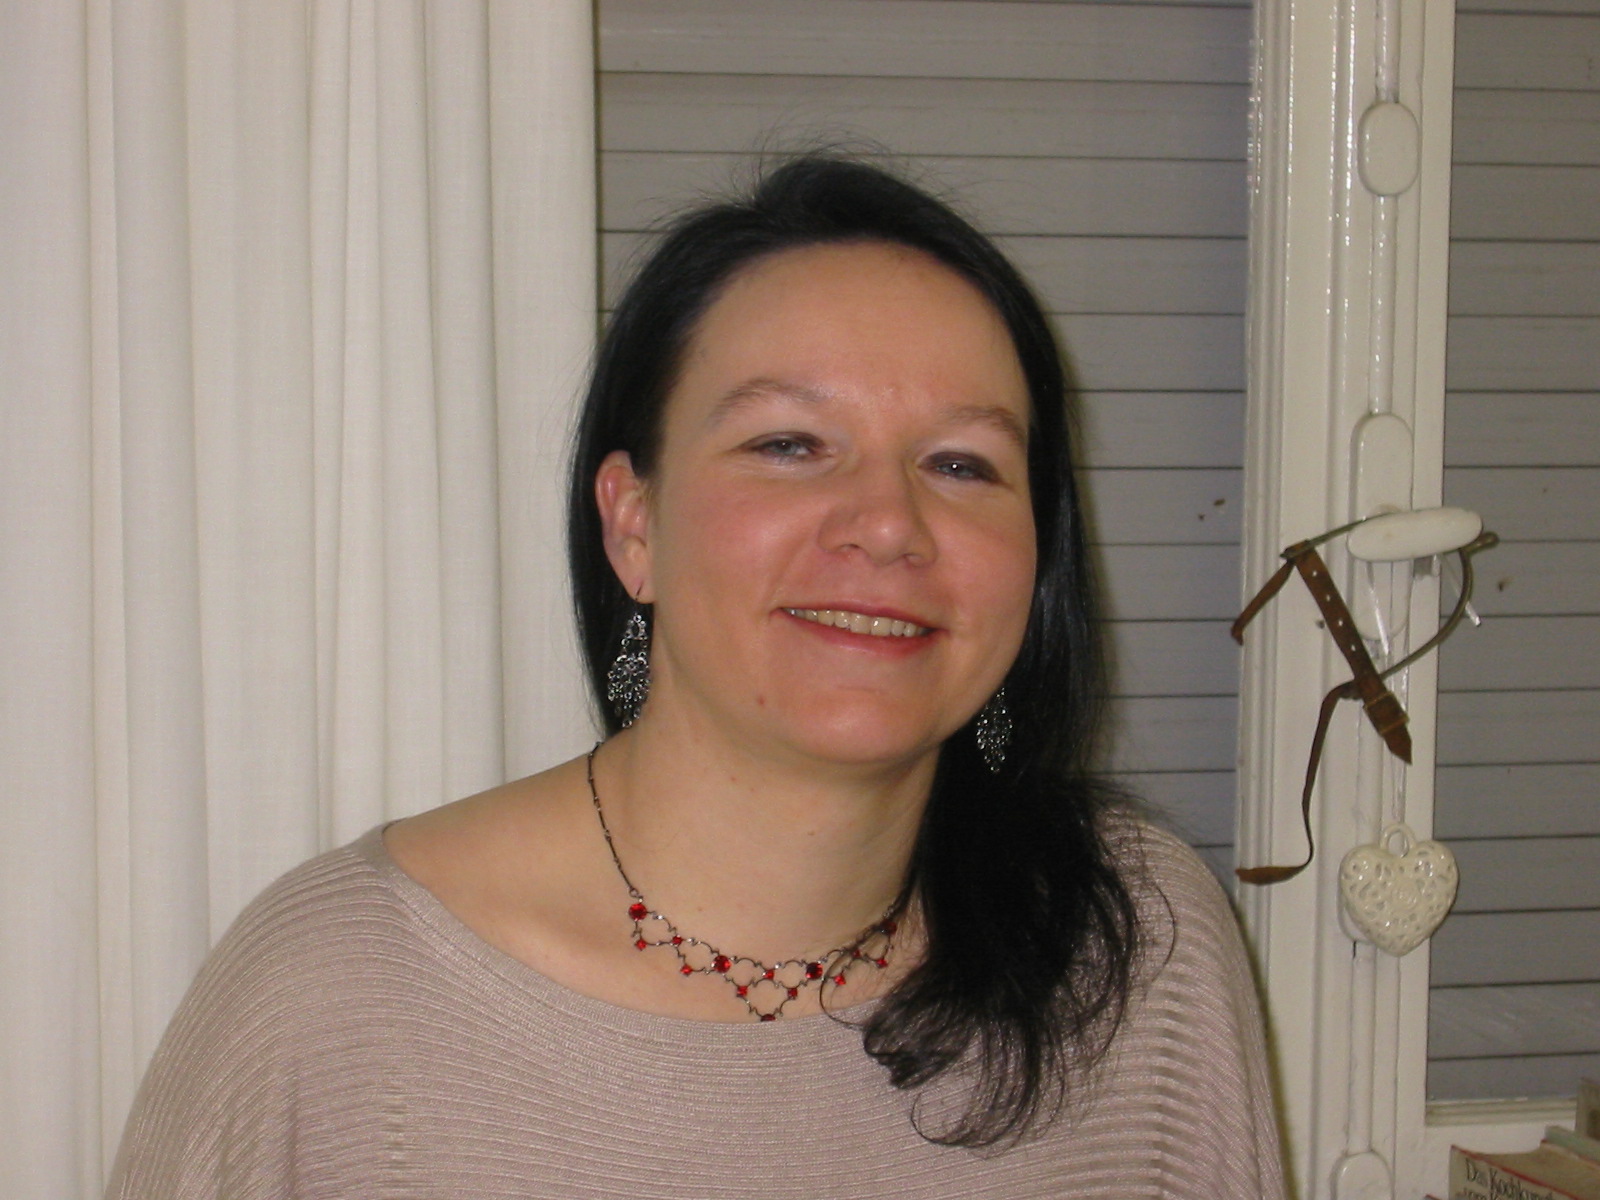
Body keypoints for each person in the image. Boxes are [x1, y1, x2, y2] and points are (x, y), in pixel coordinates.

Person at [106, 156, 1286, 1198]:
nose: (888, 523)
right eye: (789, 444)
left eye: (961, 463)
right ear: (633, 523)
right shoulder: (337, 996)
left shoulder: (1135, 943)